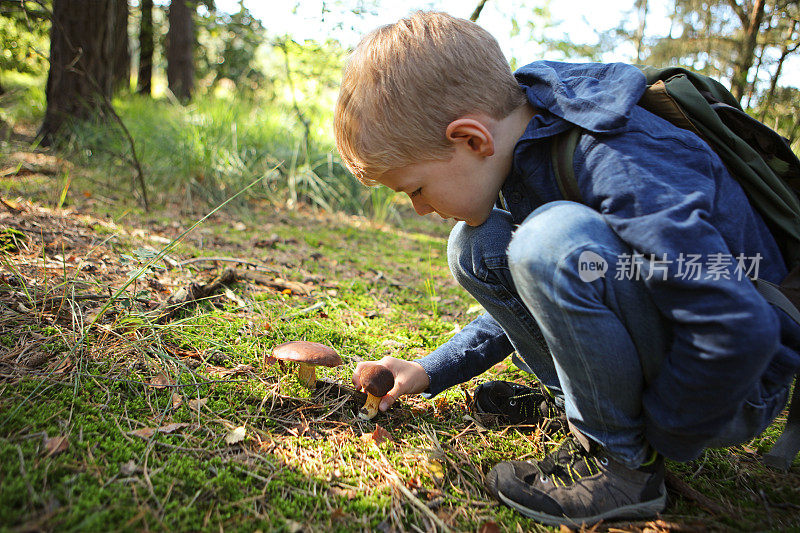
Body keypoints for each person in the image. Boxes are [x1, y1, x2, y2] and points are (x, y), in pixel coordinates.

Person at [336, 10, 800, 527]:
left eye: (415, 189)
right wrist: (431, 369)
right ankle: (588, 412)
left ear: (472, 139)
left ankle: (621, 465)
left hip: (735, 387)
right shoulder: (534, 144)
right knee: (478, 245)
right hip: (676, 343)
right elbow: (548, 286)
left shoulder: (616, 156)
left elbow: (737, 325)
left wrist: (661, 433)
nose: (420, 208)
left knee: (547, 240)